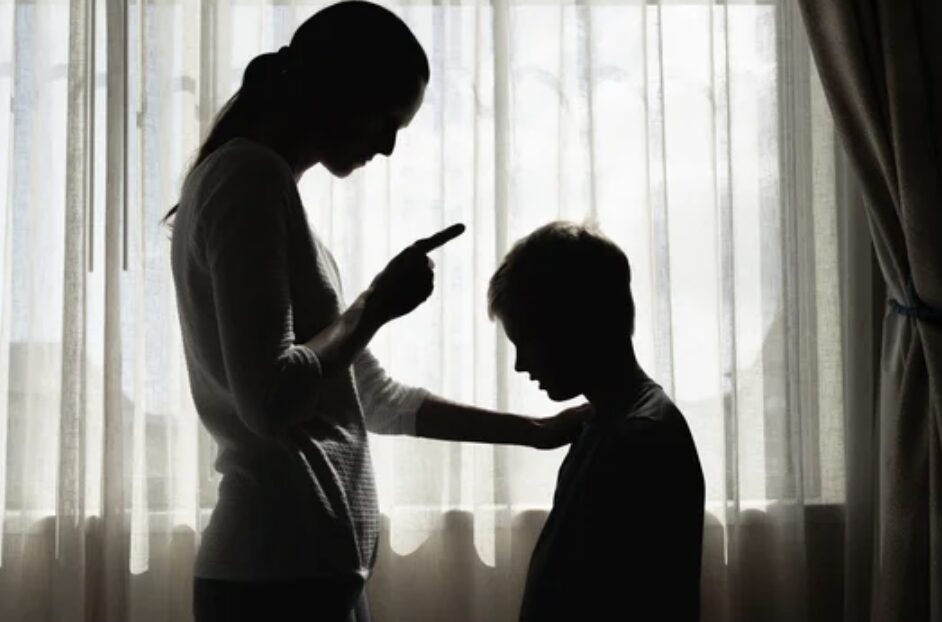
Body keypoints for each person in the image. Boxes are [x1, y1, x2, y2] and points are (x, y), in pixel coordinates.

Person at [168, 3, 589, 621]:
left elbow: (377, 398)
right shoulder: (247, 177)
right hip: (275, 580)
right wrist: (373, 306)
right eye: (387, 119)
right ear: (340, 89)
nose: (389, 147)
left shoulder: (269, 193)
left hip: (307, 578)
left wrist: (537, 431)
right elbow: (269, 399)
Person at [487, 222, 705, 621]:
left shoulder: (635, 443)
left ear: (573, 327)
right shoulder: (606, 424)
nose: (520, 365)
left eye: (526, 343)